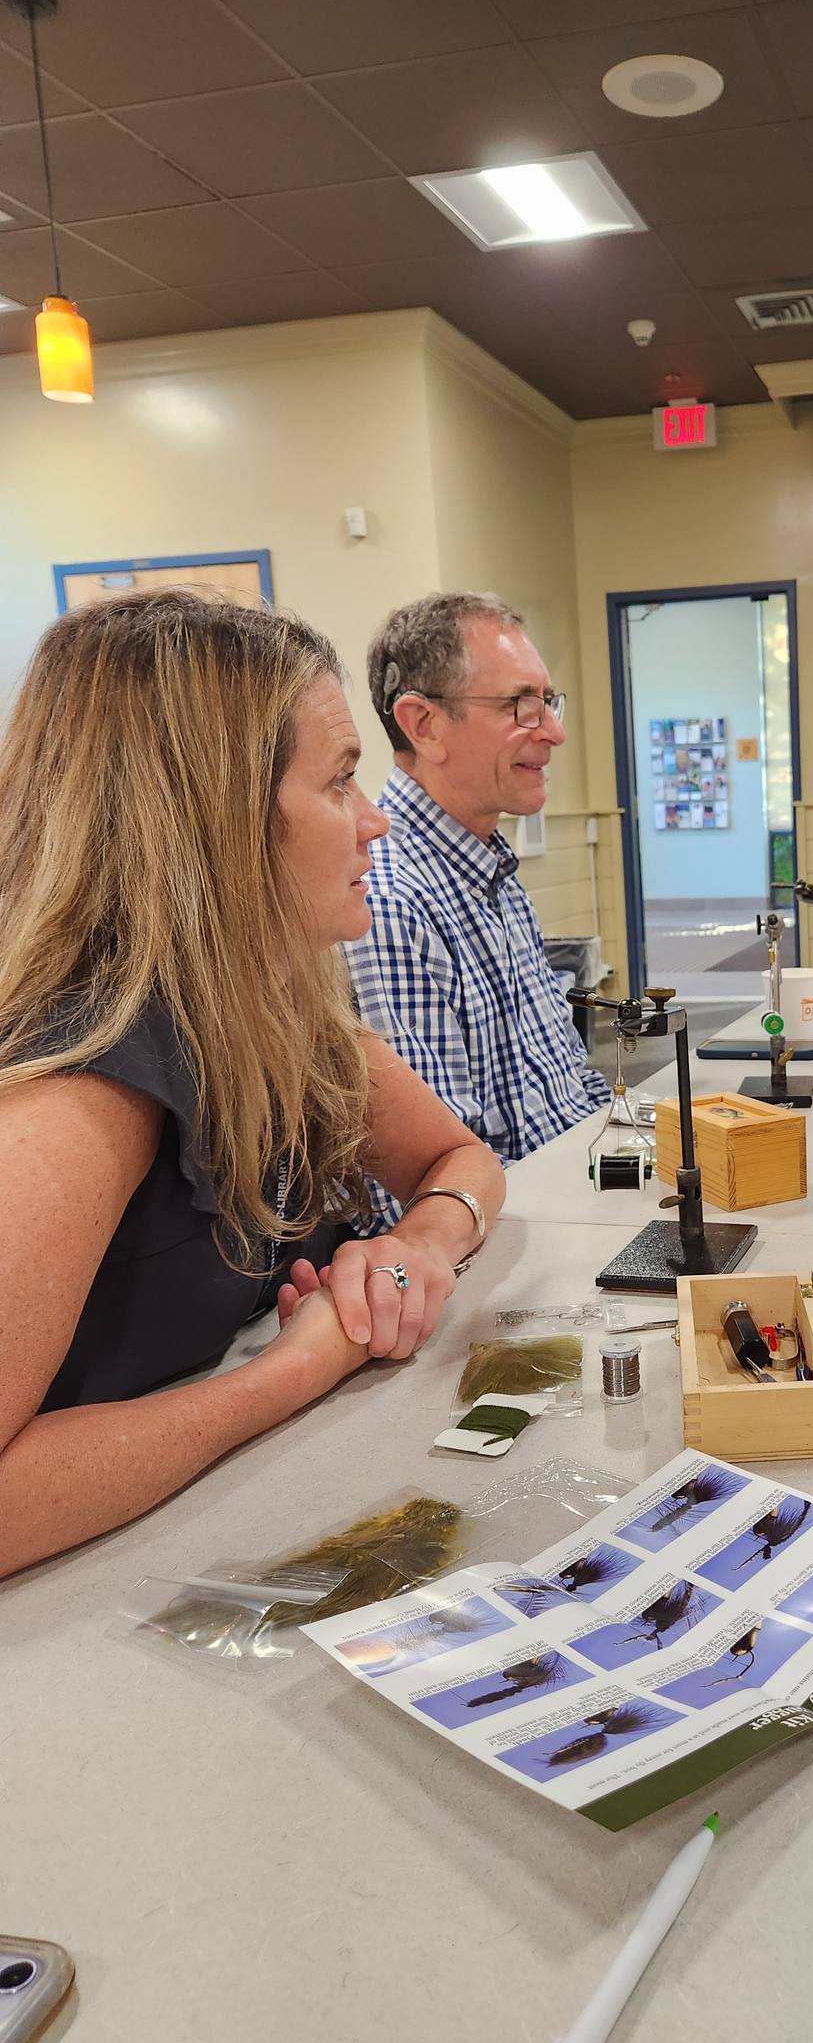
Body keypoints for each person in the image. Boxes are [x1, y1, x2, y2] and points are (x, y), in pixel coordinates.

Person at [0, 592, 506, 1579]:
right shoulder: (73, 1092)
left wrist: (409, 1250)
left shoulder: (277, 1013)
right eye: (341, 782)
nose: (374, 824)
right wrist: (306, 1362)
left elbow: (462, 1158)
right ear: (218, 821)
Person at [348, 593, 608, 1218]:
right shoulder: (389, 903)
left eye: (548, 701)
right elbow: (427, 1190)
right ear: (423, 724)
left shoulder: (492, 873)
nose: (553, 730)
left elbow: (569, 1082)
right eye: (522, 705)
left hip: (576, 1194)